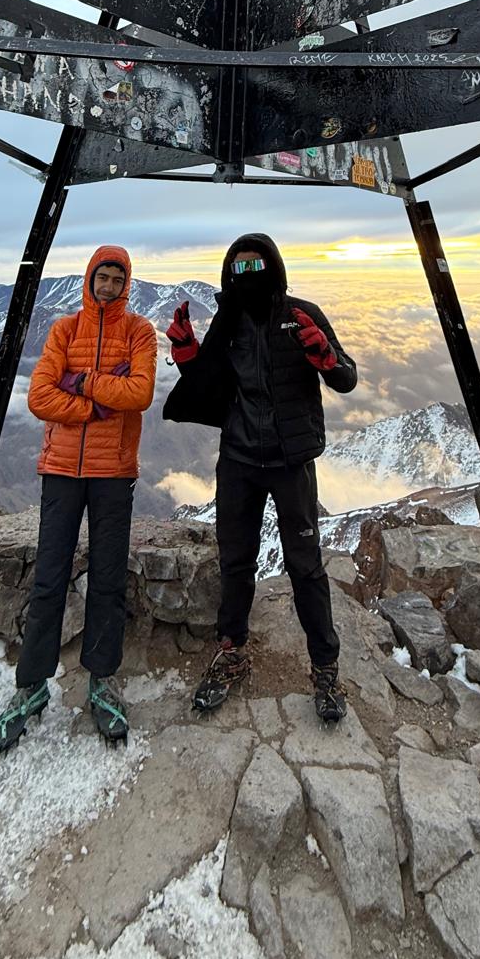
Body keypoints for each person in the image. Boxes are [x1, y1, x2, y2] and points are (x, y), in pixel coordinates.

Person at [162, 233, 356, 722]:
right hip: (240, 461)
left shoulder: (302, 314)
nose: (248, 277)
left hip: (291, 463)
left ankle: (326, 669)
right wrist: (187, 352)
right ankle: (231, 652)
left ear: (274, 267)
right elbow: (208, 383)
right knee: (235, 561)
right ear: (229, 275)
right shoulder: (227, 324)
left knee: (306, 566)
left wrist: (325, 358)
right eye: (239, 270)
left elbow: (347, 377)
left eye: (257, 267)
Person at [0, 245, 157, 752]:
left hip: (113, 473)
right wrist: (99, 407)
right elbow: (39, 397)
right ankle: (30, 687)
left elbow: (141, 394)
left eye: (116, 280)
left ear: (126, 286)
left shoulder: (139, 332)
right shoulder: (64, 330)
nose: (107, 287)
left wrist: (79, 382)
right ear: (89, 280)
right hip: (61, 470)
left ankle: (102, 682)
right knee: (49, 579)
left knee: (107, 579)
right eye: (101, 278)